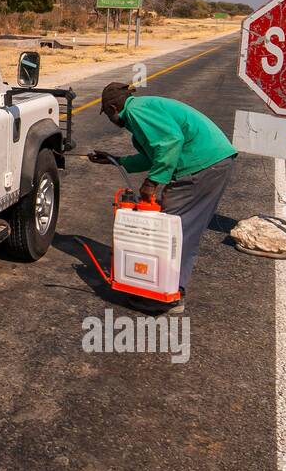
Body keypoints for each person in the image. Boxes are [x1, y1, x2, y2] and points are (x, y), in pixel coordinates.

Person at [87, 82, 237, 312]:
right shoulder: (143, 110)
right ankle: (169, 287)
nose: (109, 118)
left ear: (113, 107)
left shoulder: (136, 111)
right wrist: (117, 160)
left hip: (202, 164)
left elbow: (170, 141)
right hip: (215, 161)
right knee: (184, 227)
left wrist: (152, 181)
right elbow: (153, 155)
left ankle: (164, 295)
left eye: (107, 113)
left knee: (172, 227)